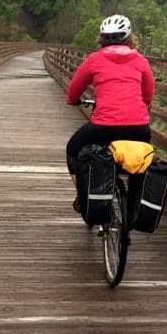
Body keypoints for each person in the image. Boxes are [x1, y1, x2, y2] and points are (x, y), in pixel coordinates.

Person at [65, 14, 155, 212]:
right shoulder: (141, 61)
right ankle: (133, 208)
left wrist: (73, 101)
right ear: (129, 38)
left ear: (102, 38)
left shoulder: (94, 59)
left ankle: (83, 196)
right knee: (140, 162)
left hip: (102, 127)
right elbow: (148, 95)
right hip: (139, 127)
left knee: (73, 150)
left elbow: (73, 91)